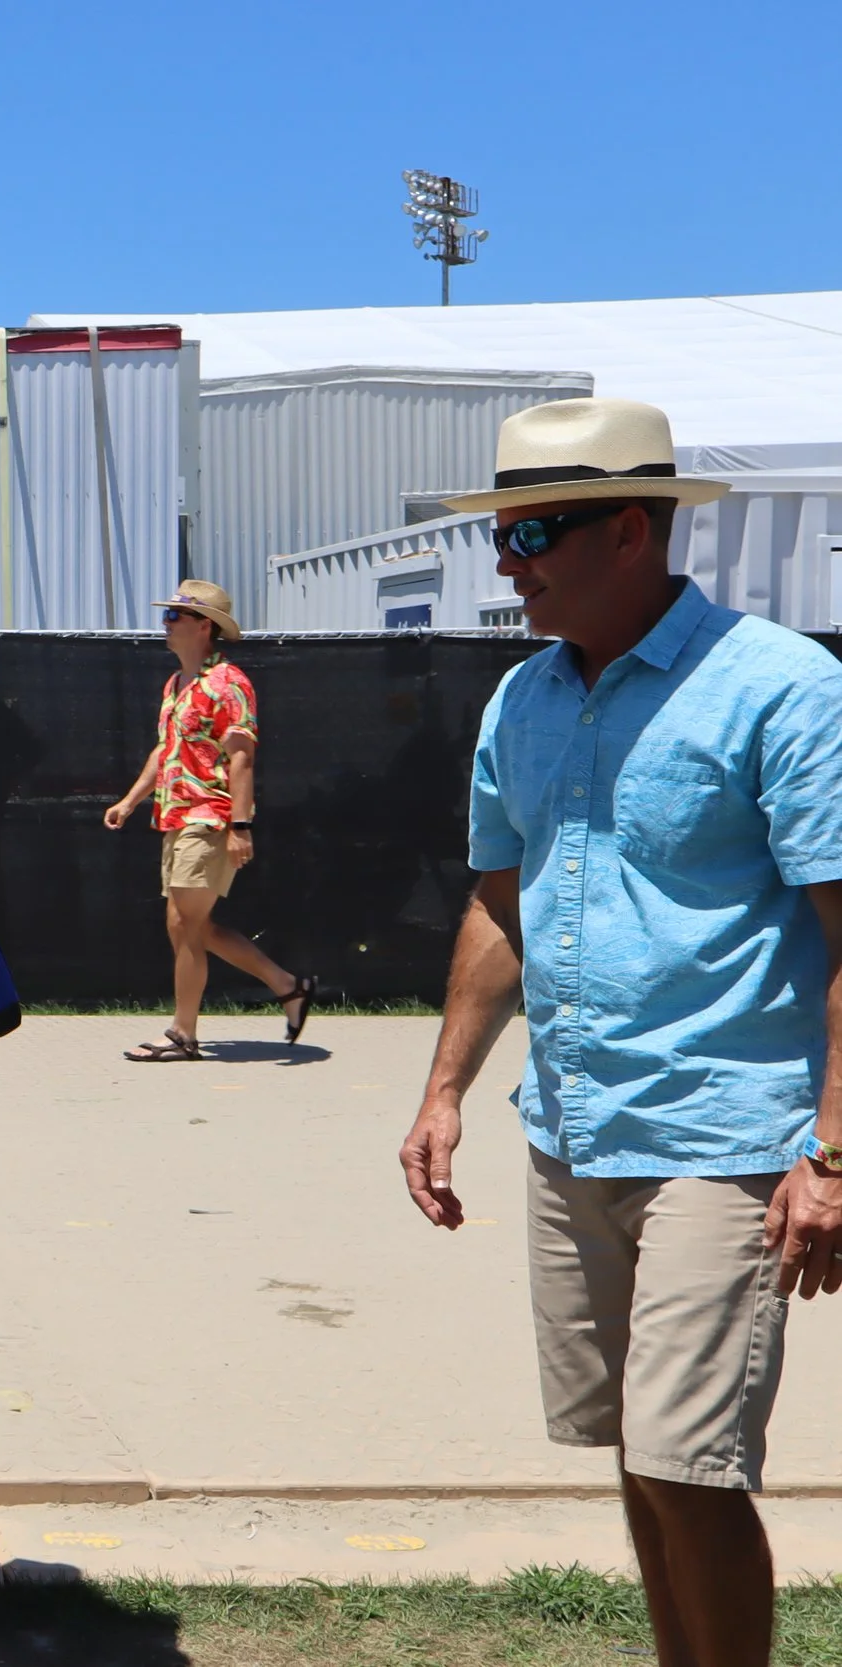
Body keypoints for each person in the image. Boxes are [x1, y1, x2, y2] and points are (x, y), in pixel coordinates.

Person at [396, 398, 842, 1667]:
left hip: (729, 1137)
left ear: (631, 530)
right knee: (639, 1461)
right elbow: (501, 904)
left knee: (687, 1463)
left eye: (531, 531)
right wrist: (444, 1091)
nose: (506, 561)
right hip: (572, 1129)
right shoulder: (522, 698)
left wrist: (832, 1149)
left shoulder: (782, 688)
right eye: (498, 533)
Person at [101, 579, 314, 1061]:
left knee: (186, 924)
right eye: (167, 614)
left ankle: (183, 1034)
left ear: (204, 625)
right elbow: (165, 751)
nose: (165, 623)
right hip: (175, 817)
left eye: (174, 616)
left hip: (210, 818)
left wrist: (240, 827)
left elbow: (242, 759)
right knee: (189, 927)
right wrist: (131, 800)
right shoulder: (175, 685)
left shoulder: (229, 683)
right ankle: (288, 985)